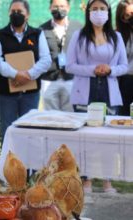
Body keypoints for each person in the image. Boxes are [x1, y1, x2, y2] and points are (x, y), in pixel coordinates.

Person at [66, 0, 128, 193]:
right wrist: (94, 69)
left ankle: (107, 180)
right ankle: (86, 180)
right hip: (85, 92)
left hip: (109, 91)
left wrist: (110, 69)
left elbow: (124, 66)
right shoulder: (79, 36)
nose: (99, 13)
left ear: (108, 12)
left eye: (102, 9)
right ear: (88, 12)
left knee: (108, 137)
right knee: (85, 138)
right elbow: (69, 65)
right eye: (95, 9)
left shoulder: (116, 37)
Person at [0, 0, 52, 140]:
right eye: (13, 12)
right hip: (6, 94)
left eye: (20, 12)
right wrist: (15, 74)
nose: (16, 14)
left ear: (28, 15)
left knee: (30, 132)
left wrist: (28, 75)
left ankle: (28, 162)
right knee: (7, 131)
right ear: (8, 13)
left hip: (30, 94)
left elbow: (46, 60)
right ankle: (8, 161)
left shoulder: (37, 34)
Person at [40, 0, 82, 112]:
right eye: (55, 6)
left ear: (68, 8)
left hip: (71, 79)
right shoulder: (42, 29)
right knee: (49, 116)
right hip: (48, 79)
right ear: (50, 8)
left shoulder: (78, 27)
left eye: (62, 6)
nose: (59, 9)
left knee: (70, 114)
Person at [116, 0, 133, 116]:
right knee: (125, 115)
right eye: (128, 15)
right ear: (123, 19)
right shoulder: (119, 35)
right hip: (126, 80)